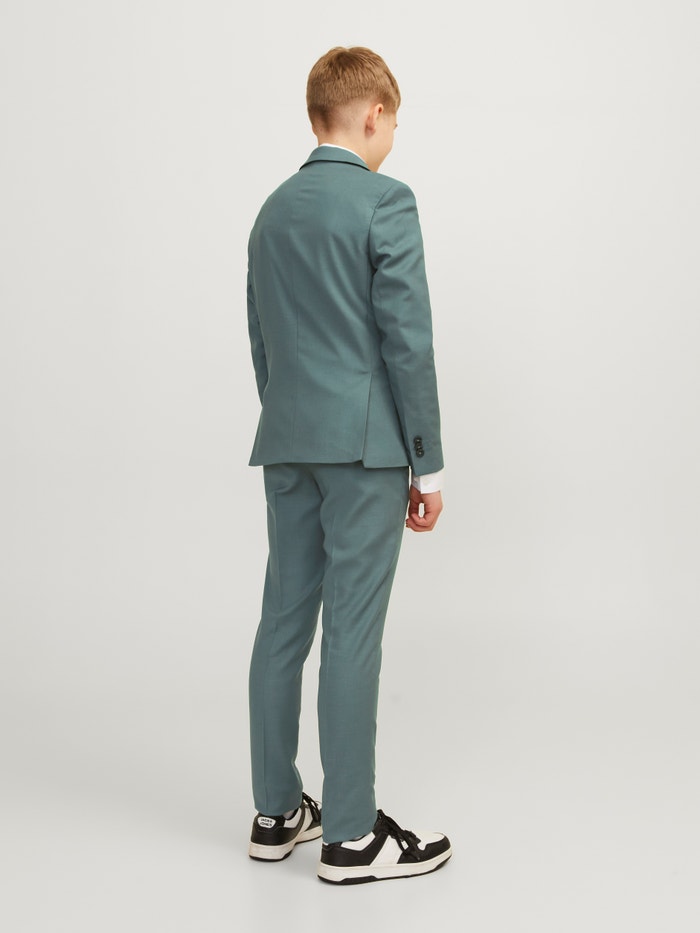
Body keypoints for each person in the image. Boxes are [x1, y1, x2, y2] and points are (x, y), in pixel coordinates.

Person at [245, 46, 451, 885]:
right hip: (364, 449)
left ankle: (275, 812)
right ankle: (354, 835)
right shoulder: (385, 200)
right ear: (373, 114)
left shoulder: (272, 211)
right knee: (352, 631)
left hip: (287, 439)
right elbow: (409, 342)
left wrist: (291, 415)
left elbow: (262, 338)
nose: (394, 135)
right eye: (394, 120)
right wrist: (427, 467)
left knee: (283, 621)